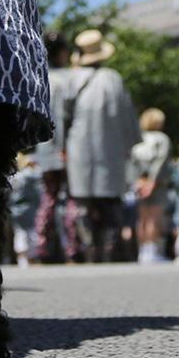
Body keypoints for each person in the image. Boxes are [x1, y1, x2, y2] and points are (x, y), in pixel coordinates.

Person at [57, 30, 137, 264]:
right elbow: (128, 116)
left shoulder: (71, 79)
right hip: (110, 149)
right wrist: (129, 146)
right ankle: (109, 249)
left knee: (83, 202)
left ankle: (89, 247)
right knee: (111, 202)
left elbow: (62, 117)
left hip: (78, 148)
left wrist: (61, 146)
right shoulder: (114, 78)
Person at [29, 31, 87, 264]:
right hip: (67, 148)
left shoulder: (39, 77)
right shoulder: (70, 78)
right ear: (63, 53)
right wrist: (63, 146)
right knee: (71, 197)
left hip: (45, 148)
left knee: (49, 197)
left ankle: (42, 247)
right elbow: (65, 117)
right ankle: (74, 247)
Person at [131, 108, 173, 264]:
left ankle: (142, 251)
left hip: (140, 184)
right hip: (157, 185)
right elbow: (160, 162)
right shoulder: (162, 139)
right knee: (154, 218)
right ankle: (152, 250)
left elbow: (132, 162)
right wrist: (152, 181)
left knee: (142, 218)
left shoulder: (139, 139)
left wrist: (138, 181)